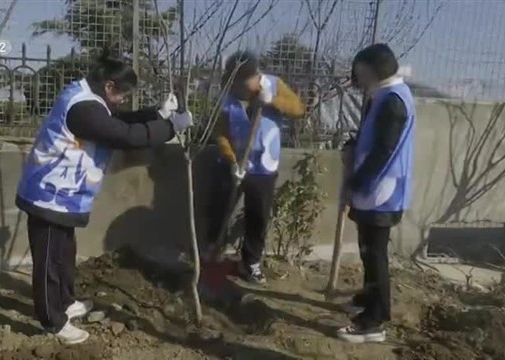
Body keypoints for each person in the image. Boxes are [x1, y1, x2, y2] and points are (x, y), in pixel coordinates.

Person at [15, 52, 193, 345]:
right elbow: (123, 135)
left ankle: (66, 301)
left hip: (63, 195)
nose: (123, 99)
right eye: (123, 94)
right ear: (109, 86)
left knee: (64, 252)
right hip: (48, 194)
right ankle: (52, 321)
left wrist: (157, 115)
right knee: (48, 259)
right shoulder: (83, 108)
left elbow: (119, 121)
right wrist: (171, 127)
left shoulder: (90, 99)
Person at [336, 43, 416, 343]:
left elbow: (385, 150)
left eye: (359, 70)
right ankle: (369, 297)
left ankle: (375, 320)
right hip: (375, 188)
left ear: (371, 69)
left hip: (382, 190)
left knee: (375, 254)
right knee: (368, 251)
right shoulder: (382, 95)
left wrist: (358, 180)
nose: (356, 77)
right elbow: (374, 137)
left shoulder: (394, 101)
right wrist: (355, 145)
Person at [206, 50, 305, 284]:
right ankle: (211, 253)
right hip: (234, 166)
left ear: (255, 76)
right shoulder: (226, 96)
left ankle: (250, 263)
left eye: (243, 82)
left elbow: (299, 108)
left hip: (264, 168)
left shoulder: (274, 85)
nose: (239, 87)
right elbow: (220, 132)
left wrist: (272, 101)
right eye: (234, 82)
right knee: (220, 209)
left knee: (258, 216)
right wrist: (231, 160)